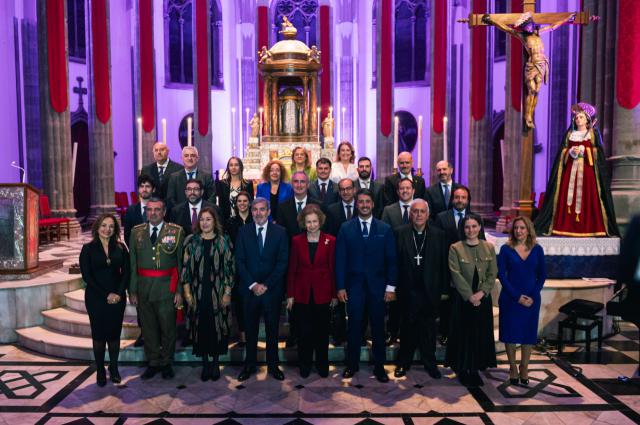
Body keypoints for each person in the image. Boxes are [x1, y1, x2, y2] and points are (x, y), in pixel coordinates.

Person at [336, 189, 397, 383]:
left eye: (367, 202)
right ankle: (351, 365)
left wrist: (390, 287)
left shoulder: (384, 228)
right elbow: (340, 260)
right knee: (354, 327)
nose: (363, 205)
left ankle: (379, 367)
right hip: (354, 287)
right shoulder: (346, 228)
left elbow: (392, 260)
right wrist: (340, 286)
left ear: (372, 204)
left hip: (378, 288)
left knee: (379, 328)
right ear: (356, 204)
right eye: (360, 202)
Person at [534, 102, 619, 237]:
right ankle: (565, 225)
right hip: (570, 171)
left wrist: (586, 150)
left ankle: (590, 226)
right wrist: (570, 152)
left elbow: (599, 153)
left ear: (587, 120)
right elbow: (562, 152)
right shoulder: (570, 135)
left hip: (588, 171)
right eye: (577, 117)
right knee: (567, 198)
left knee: (588, 196)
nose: (578, 119)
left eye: (581, 117)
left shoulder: (592, 134)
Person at [129, 197, 185, 380]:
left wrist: (179, 291)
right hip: (144, 288)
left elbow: (179, 264)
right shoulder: (136, 232)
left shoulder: (176, 232)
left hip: (166, 288)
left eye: (157, 210)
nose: (153, 213)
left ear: (164, 212)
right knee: (149, 328)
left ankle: (167, 362)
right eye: (150, 210)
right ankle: (153, 362)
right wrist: (133, 290)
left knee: (168, 328)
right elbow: (133, 264)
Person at [235, 198, 289, 381]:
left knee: (273, 331)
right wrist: (253, 285)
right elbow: (239, 261)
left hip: (271, 291)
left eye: (262, 210)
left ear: (268, 211)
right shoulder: (243, 232)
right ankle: (249, 365)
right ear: (251, 212)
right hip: (249, 291)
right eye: (255, 210)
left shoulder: (280, 232)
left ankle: (273, 366)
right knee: (250, 332)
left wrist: (266, 285)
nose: (258, 213)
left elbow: (282, 263)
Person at [393, 200, 447, 379]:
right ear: (410, 214)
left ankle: (430, 364)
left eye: (422, 211)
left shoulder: (439, 235)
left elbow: (443, 264)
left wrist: (444, 290)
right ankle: (403, 362)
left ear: (428, 214)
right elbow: (394, 263)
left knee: (429, 330)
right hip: (407, 290)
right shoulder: (400, 233)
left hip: (429, 291)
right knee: (406, 329)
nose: (418, 215)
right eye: (415, 211)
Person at [182, 207, 235, 381]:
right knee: (201, 327)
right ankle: (205, 363)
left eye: (208, 219)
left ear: (214, 222)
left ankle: (215, 362)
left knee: (217, 326)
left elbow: (230, 270)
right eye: (202, 220)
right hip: (198, 293)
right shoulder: (192, 242)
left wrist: (227, 292)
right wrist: (187, 293)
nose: (205, 223)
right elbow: (186, 270)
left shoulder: (223, 241)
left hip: (218, 292)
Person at [446, 213, 497, 387]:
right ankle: (463, 368)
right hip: (463, 299)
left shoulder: (489, 247)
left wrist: (481, 293)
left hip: (482, 299)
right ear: (463, 229)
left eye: (474, 226)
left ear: (480, 227)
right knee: (464, 334)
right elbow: (456, 274)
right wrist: (470, 296)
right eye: (467, 227)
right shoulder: (455, 248)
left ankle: (475, 368)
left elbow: (492, 274)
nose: (471, 230)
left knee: (479, 334)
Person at [286, 204, 336, 378]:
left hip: (323, 293)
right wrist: (290, 294)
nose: (312, 225)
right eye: (308, 222)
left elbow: (333, 269)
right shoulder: (296, 241)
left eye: (315, 221)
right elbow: (292, 269)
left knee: (322, 333)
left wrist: (334, 294)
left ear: (320, 221)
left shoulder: (331, 240)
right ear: (303, 223)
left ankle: (323, 365)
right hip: (302, 294)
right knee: (304, 333)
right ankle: (305, 365)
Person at [79, 214, 129, 386]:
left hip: (117, 297)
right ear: (97, 227)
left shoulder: (121, 248)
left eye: (111, 226)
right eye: (104, 226)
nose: (107, 229)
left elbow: (126, 273)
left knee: (114, 335)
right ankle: (100, 369)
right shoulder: (88, 248)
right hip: (96, 298)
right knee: (99, 336)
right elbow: (87, 276)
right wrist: (106, 294)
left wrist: (119, 293)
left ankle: (113, 368)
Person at [498, 216, 545, 385]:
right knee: (510, 333)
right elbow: (502, 276)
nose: (519, 231)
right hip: (511, 298)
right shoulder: (505, 249)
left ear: (528, 230)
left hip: (532, 299)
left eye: (522, 228)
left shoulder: (537, 250)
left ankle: (524, 366)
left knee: (527, 334)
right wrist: (517, 297)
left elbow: (542, 275)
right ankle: (512, 367)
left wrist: (531, 296)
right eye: (516, 228)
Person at [225, 191, 253, 346]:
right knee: (240, 303)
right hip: (236, 267)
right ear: (236, 204)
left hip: (254, 266)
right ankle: (242, 336)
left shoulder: (255, 220)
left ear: (250, 202)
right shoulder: (230, 222)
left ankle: (252, 334)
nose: (242, 203)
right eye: (239, 201)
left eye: (245, 201)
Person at [277, 171, 321, 241]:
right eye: (296, 181)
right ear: (291, 184)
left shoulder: (319, 206)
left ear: (308, 184)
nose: (299, 185)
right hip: (290, 249)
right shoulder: (282, 208)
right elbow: (281, 234)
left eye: (302, 182)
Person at [216, 157, 255, 221]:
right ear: (228, 167)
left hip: (244, 220)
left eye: (236, 165)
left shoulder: (248, 184)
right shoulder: (222, 184)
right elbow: (221, 205)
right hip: (227, 221)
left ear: (240, 167)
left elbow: (251, 204)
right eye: (231, 165)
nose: (233, 167)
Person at [124, 174, 154, 250]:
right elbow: (127, 236)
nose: (144, 189)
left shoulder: (160, 209)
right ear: (138, 189)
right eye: (141, 186)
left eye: (147, 186)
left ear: (153, 189)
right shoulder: (130, 211)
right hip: (138, 253)